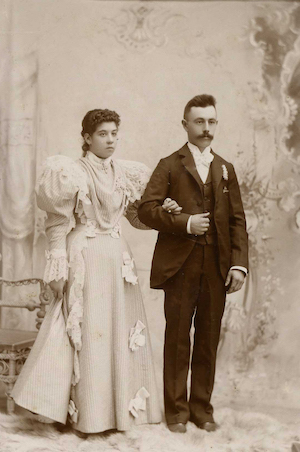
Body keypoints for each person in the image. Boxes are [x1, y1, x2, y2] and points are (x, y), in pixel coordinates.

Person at [12, 109, 179, 435]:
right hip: (84, 256)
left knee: (115, 335)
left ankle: (114, 416)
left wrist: (163, 212)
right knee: (86, 335)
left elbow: (137, 218)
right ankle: (85, 417)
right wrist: (57, 268)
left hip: (117, 260)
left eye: (114, 133)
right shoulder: (69, 172)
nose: (111, 139)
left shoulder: (126, 173)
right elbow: (58, 225)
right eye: (103, 133)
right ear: (87, 137)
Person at [138, 94, 249, 433]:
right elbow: (146, 210)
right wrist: (185, 223)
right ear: (185, 124)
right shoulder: (169, 164)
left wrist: (239, 265)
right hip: (181, 266)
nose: (206, 128)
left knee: (208, 337)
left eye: (211, 121)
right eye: (199, 121)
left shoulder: (226, 168)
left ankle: (202, 409)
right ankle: (177, 412)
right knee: (178, 338)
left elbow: (237, 222)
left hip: (217, 266)